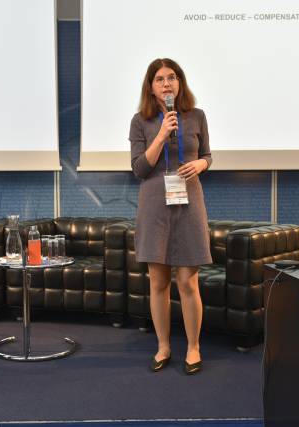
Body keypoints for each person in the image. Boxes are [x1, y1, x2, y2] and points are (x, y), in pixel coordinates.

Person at [129, 58, 212, 375]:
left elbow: (207, 154)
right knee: (159, 282)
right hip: (154, 205)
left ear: (180, 83)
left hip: (189, 202)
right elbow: (139, 168)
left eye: (172, 77)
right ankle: (163, 346)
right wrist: (162, 135)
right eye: (160, 79)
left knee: (188, 281)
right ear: (150, 86)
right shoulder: (141, 121)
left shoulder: (197, 116)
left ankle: (193, 347)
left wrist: (201, 165)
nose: (167, 83)